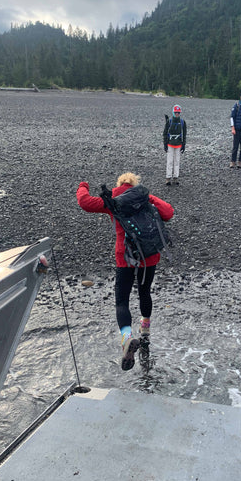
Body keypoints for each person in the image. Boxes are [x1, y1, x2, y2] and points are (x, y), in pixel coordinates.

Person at [76, 172, 174, 371]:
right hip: (149, 256)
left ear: (119, 184)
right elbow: (168, 213)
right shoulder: (144, 197)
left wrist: (83, 185)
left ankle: (127, 338)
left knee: (122, 300)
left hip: (125, 257)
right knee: (145, 292)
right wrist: (149, 197)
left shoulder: (113, 199)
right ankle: (145, 331)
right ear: (135, 185)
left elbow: (85, 203)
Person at [163, 104, 187, 185]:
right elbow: (165, 133)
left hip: (178, 144)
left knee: (177, 161)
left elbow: (184, 134)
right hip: (170, 144)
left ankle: (176, 177)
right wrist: (165, 144)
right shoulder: (169, 121)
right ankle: (168, 178)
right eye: (176, 112)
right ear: (173, 112)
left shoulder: (182, 122)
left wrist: (184, 144)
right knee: (169, 161)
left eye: (178, 112)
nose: (177, 114)